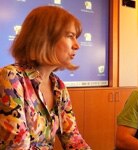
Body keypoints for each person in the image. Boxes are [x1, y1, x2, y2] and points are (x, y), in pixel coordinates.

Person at [0, 6, 91, 149]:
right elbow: (17, 146)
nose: (77, 45)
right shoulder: (11, 78)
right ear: (45, 37)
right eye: (70, 36)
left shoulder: (58, 86)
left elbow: (73, 138)